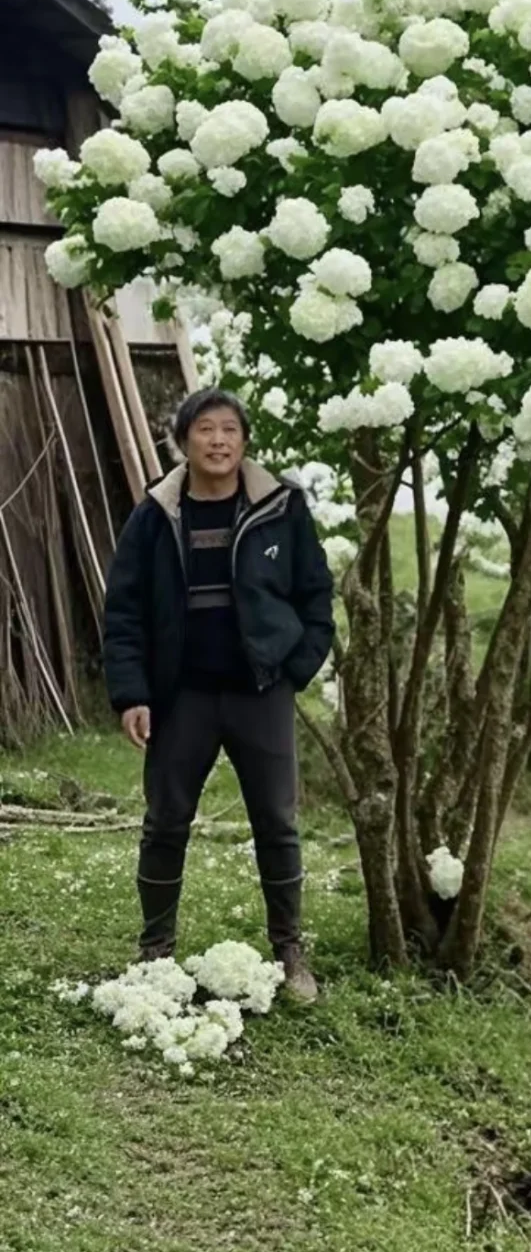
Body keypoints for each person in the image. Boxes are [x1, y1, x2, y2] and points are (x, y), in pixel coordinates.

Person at [103, 387, 334, 1004]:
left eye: (230, 429)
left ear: (245, 440)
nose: (219, 441)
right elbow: (123, 610)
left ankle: (289, 950)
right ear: (185, 441)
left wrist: (296, 667)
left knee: (277, 822)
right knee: (165, 821)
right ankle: (155, 951)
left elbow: (316, 595)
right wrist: (132, 693)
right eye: (205, 429)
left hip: (260, 691)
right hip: (183, 696)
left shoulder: (280, 507)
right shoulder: (155, 513)